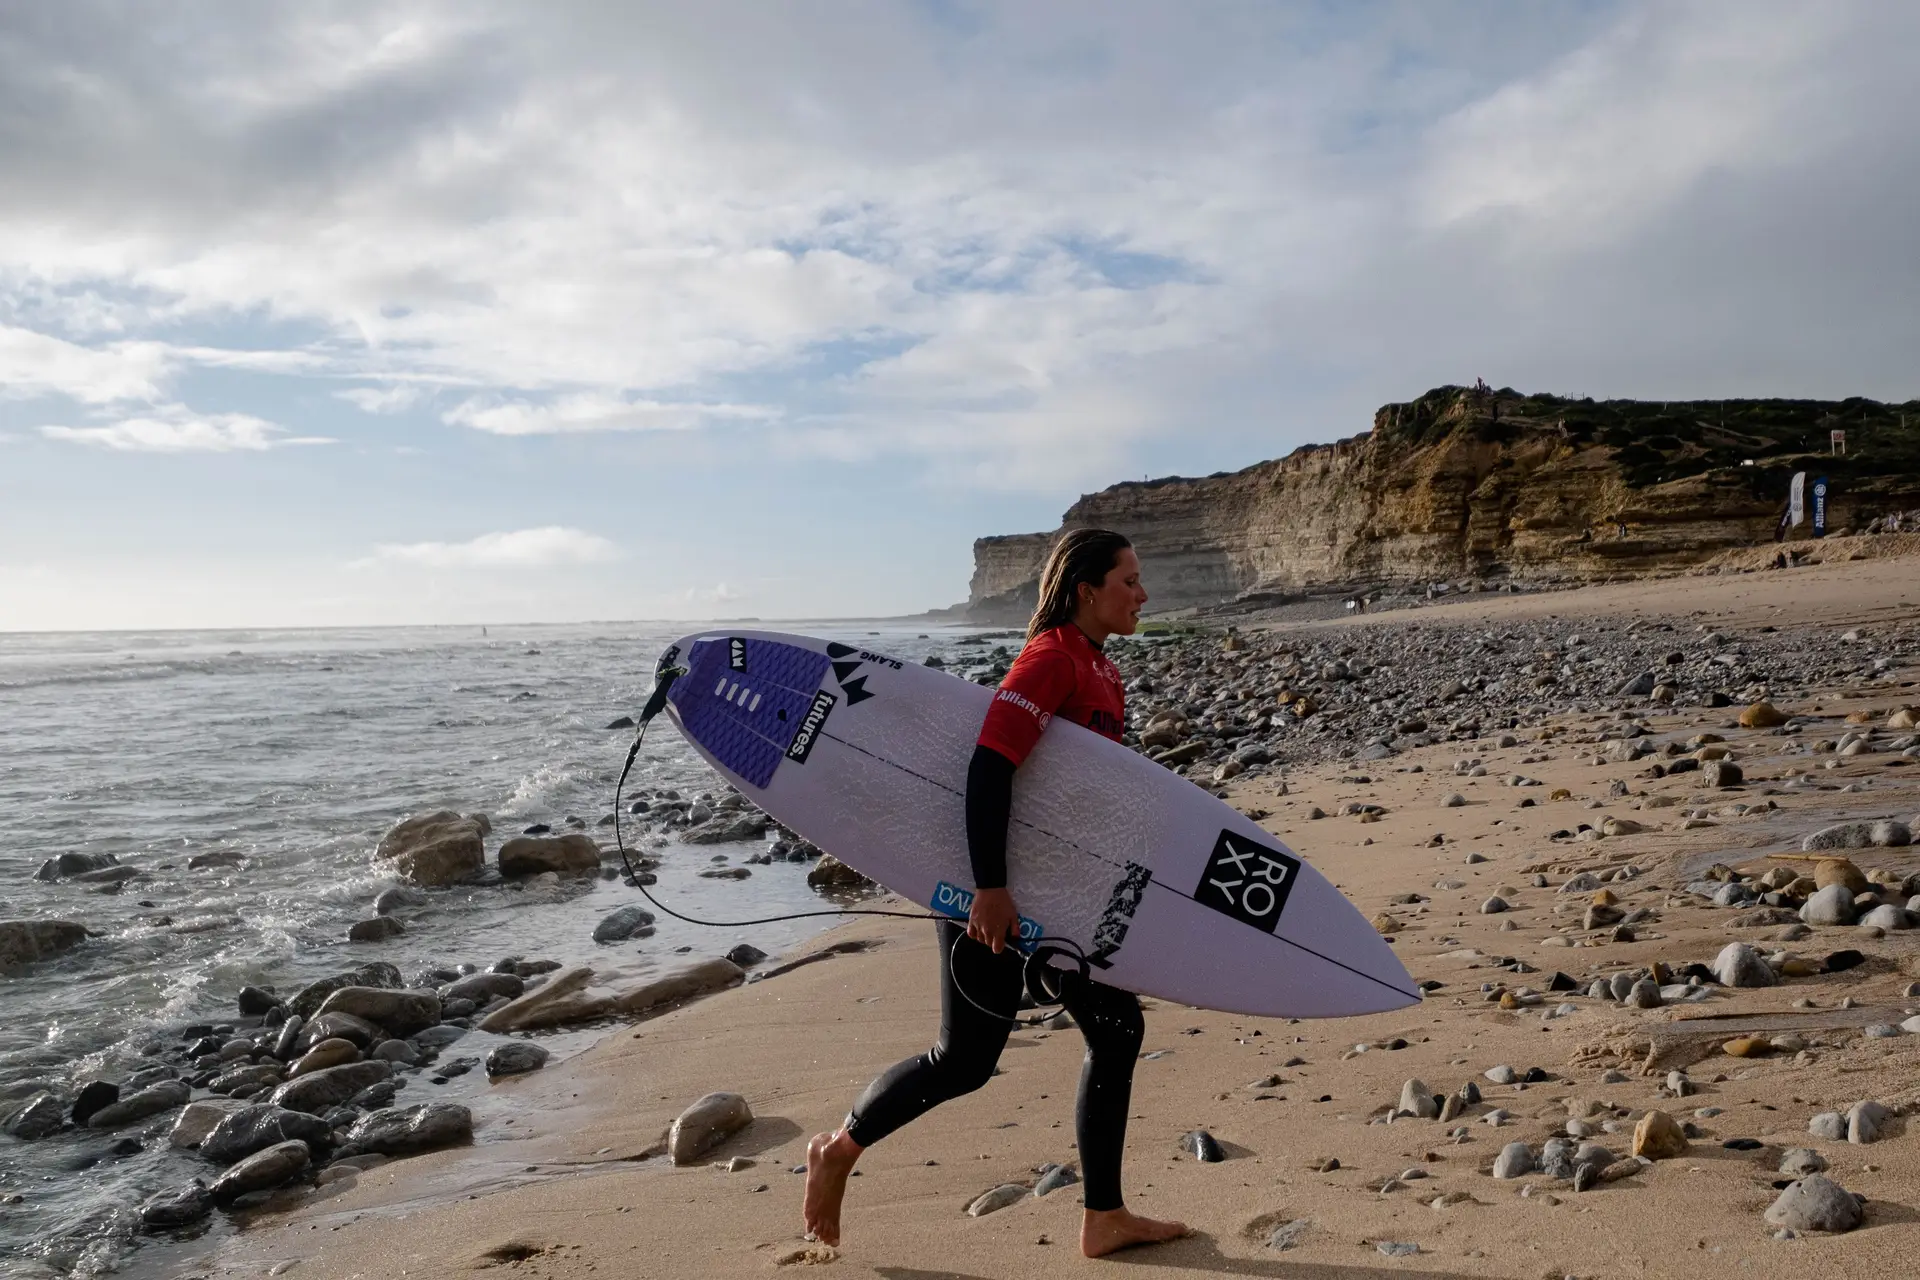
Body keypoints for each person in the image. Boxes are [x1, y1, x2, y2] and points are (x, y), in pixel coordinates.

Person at [803, 529, 1188, 1259]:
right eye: (1129, 580)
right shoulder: (1050, 660)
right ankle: (840, 1151)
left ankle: (1104, 1217)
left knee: (1115, 1030)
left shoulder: (1102, 671)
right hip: (995, 890)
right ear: (1085, 591)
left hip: (1054, 893)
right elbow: (988, 767)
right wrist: (989, 889)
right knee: (966, 1060)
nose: (1143, 594)